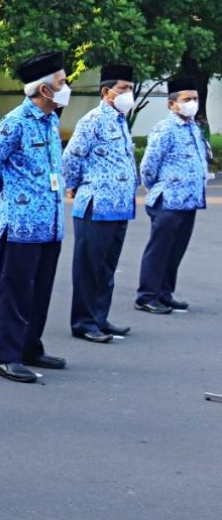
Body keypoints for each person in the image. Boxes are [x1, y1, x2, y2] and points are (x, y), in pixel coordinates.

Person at [0, 51, 70, 383]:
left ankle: (31, 347)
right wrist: (15, 192)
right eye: (62, 82)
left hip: (51, 223)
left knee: (41, 289)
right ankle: (6, 356)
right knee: (15, 292)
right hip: (21, 224)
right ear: (44, 90)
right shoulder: (15, 121)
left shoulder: (51, 120)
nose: (66, 86)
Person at [62, 64, 137, 343]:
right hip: (96, 204)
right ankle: (83, 322)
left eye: (130, 89)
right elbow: (71, 158)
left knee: (106, 267)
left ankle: (99, 318)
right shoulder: (92, 120)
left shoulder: (120, 121)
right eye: (123, 89)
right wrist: (73, 185)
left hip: (119, 206)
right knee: (89, 268)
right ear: (107, 91)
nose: (128, 94)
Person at [134, 78, 209, 314]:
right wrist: (152, 186)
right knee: (159, 249)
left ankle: (164, 293)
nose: (192, 103)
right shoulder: (165, 129)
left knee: (176, 250)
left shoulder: (193, 127)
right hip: (169, 200)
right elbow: (148, 165)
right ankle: (146, 296)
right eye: (187, 100)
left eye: (195, 99)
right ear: (172, 105)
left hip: (190, 200)